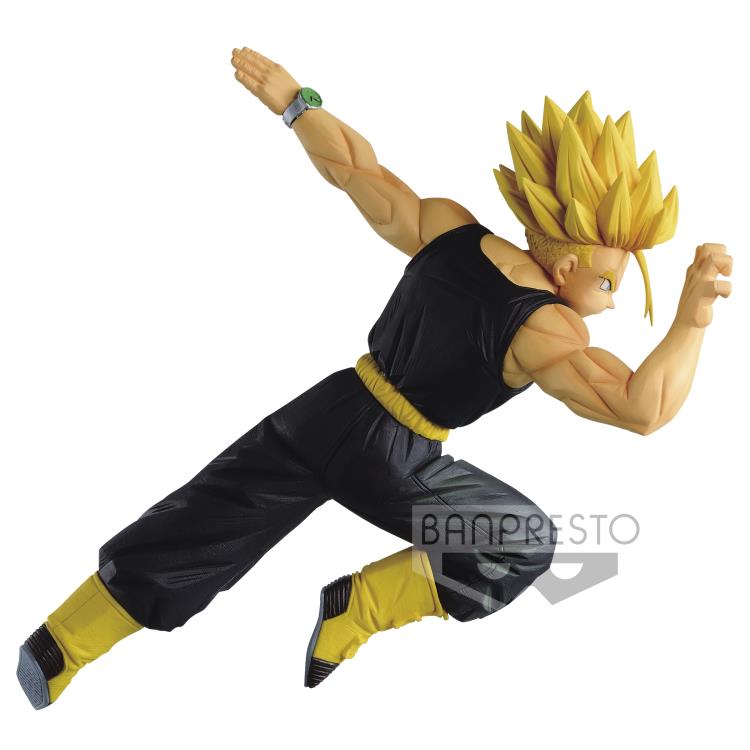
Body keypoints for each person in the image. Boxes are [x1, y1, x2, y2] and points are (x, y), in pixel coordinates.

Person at [16, 47, 732, 709]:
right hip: (395, 454)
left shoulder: (452, 230)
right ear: (569, 264)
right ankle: (358, 607)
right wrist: (691, 320)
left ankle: (59, 645)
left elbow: (358, 170)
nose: (609, 303)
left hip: (332, 404)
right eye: (609, 284)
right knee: (520, 541)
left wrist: (297, 104)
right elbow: (641, 408)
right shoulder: (549, 328)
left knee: (207, 516)